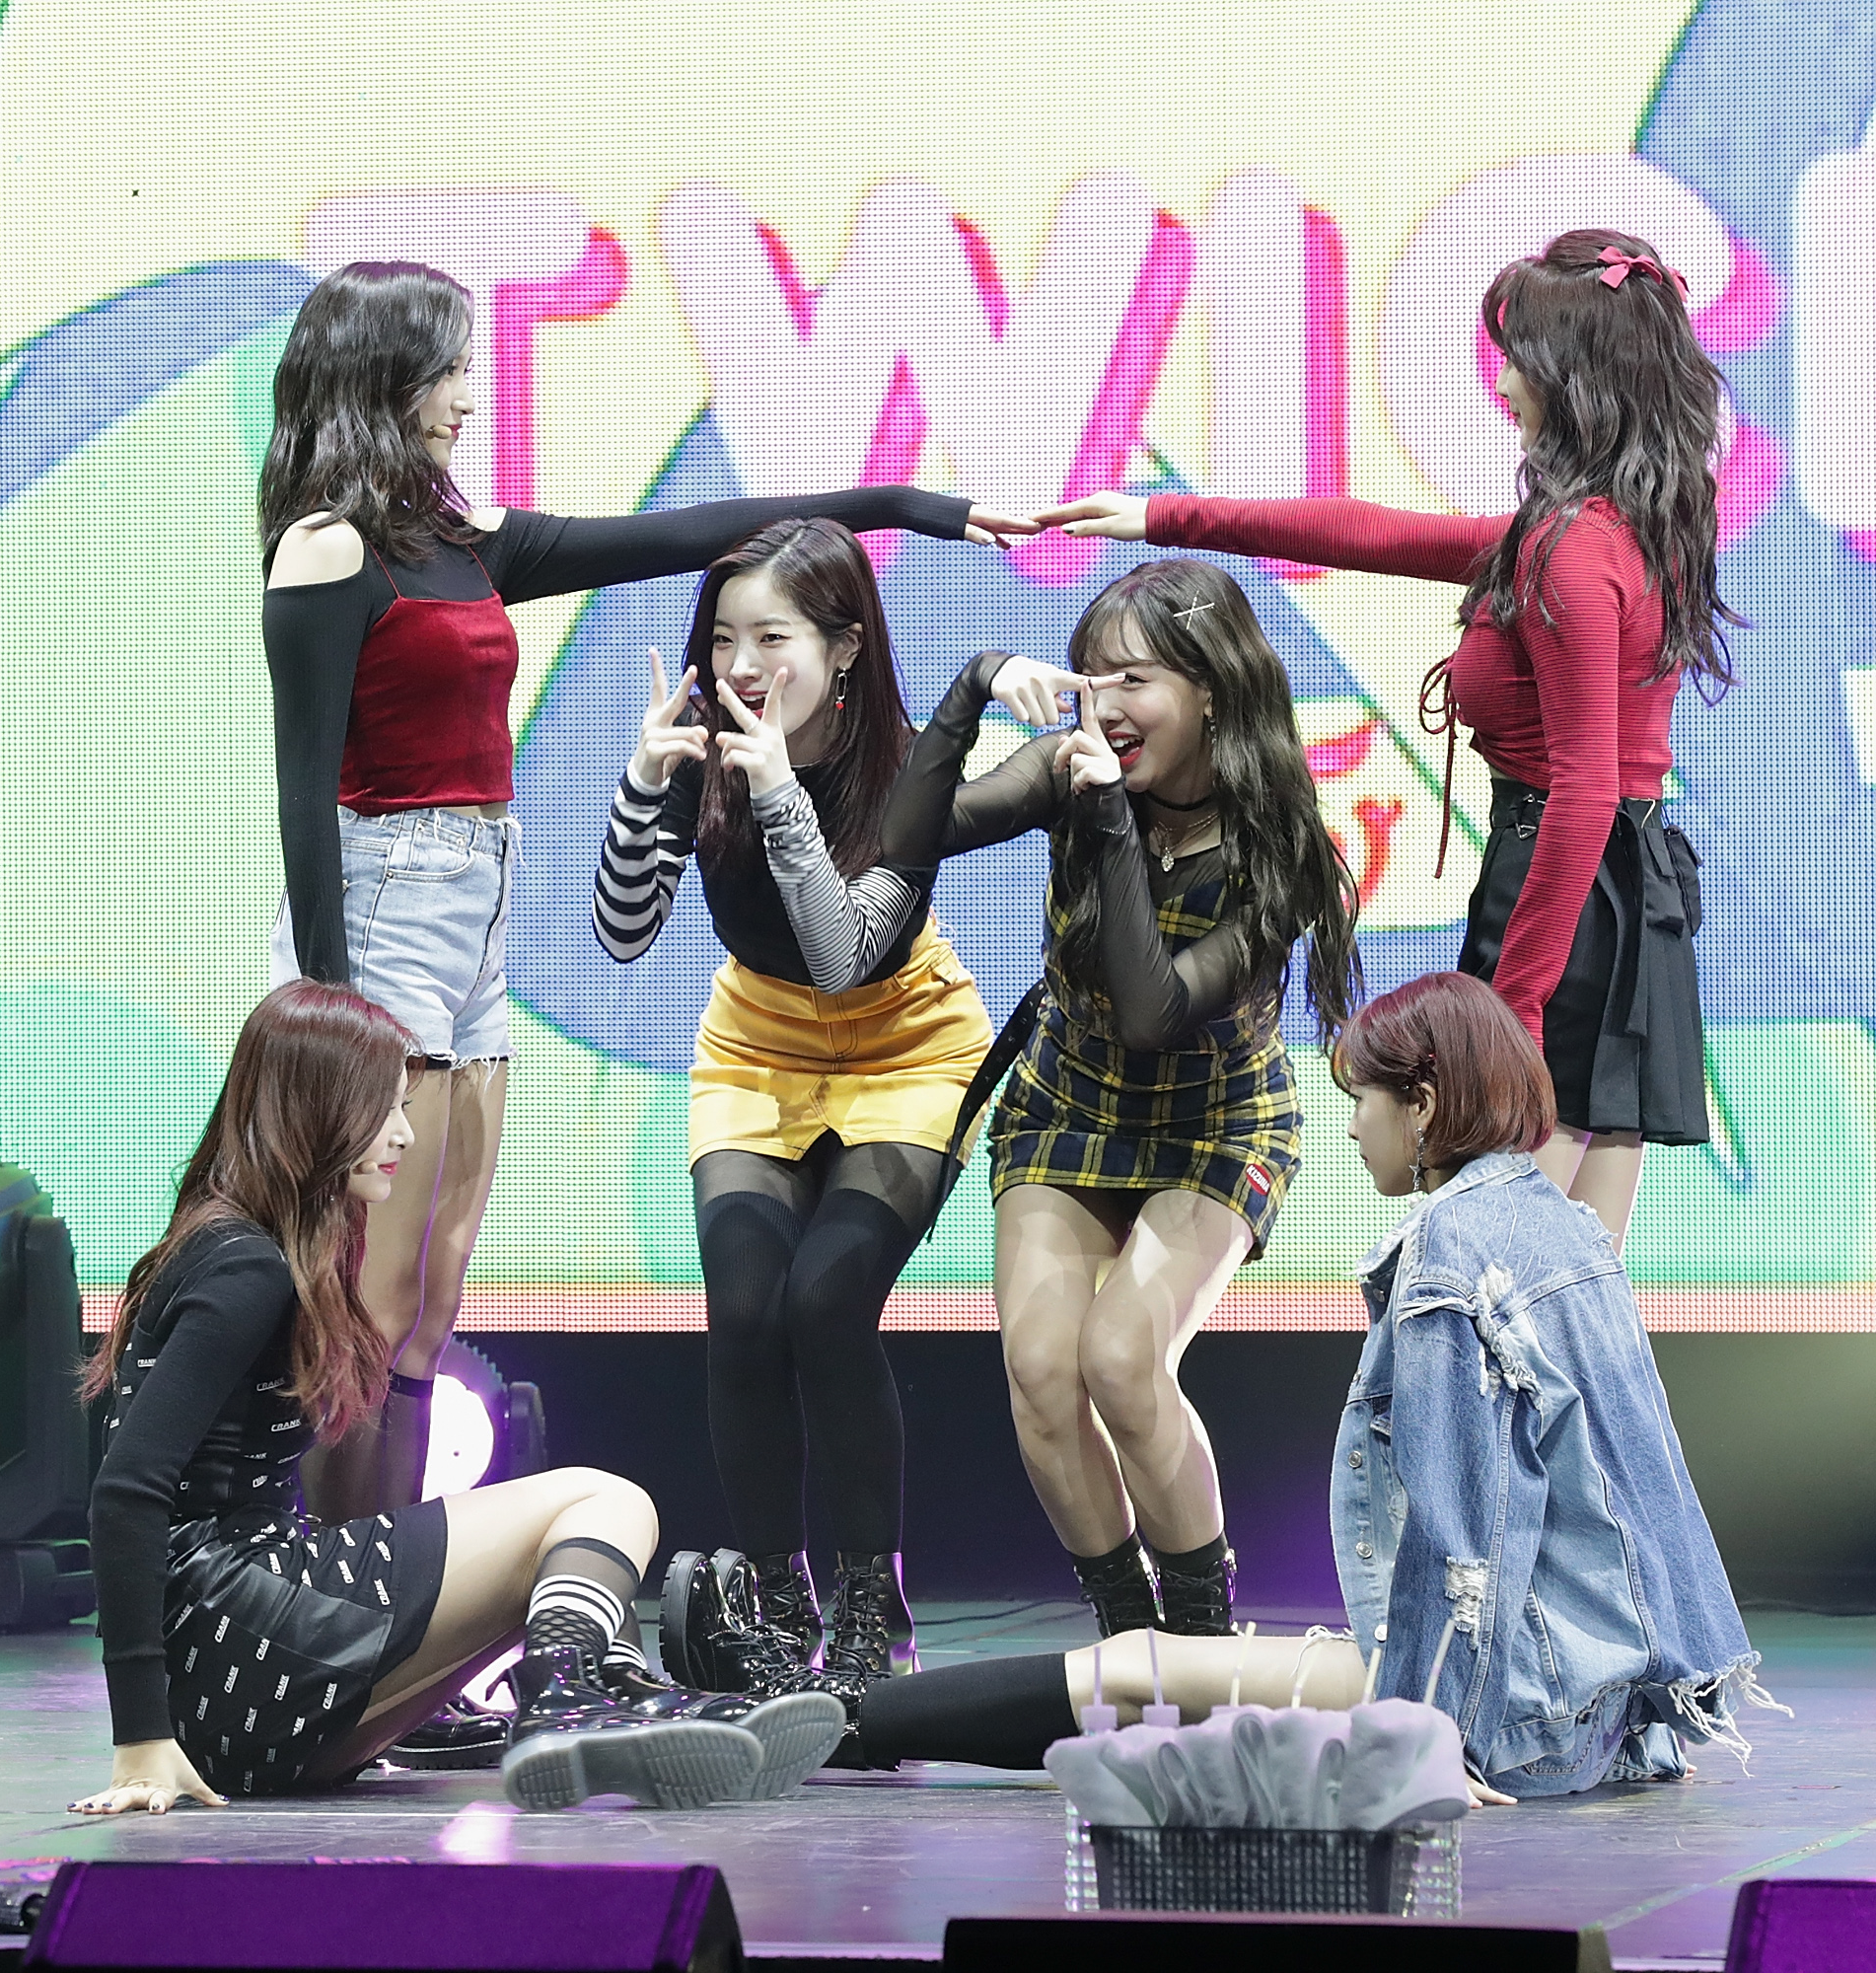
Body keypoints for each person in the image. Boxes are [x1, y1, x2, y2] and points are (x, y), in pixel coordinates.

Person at [260, 259, 1032, 1760]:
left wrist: (911, 506)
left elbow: (693, 534)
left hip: (479, 901)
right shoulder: (327, 548)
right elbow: (304, 791)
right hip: (383, 905)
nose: (473, 390)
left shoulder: (459, 537)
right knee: (368, 1292)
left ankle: (400, 1655)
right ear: (386, 372)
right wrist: (330, 1006)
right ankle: (345, 1643)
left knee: (431, 1299)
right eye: (454, 365)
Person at [700, 971, 1775, 1801]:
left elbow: (1464, 1539)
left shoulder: (1451, 1261)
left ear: (1424, 1104)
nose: (1348, 1125)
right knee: (1190, 1675)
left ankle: (835, 1728)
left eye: (1363, 1099)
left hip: (1516, 1709)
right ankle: (842, 1724)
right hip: (1612, 1699)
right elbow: (1654, 1486)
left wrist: (1428, 1736)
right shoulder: (1563, 1225)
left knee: (1148, 1675)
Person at [1043, 226, 1737, 1252]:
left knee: (1489, 1264)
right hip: (1625, 898)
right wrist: (1164, 517)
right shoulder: (1608, 530)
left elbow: (1585, 788)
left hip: (1564, 897)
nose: (1501, 383)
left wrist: (1513, 1015)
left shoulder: (1573, 550)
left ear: (1575, 377)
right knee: (1574, 1283)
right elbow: (1370, 532)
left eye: (1517, 358)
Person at [72, 982, 845, 1816]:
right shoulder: (244, 1267)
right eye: (383, 1110)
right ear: (315, 1110)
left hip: (231, 1678)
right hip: (235, 1646)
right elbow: (126, 1492)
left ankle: (609, 1693)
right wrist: (140, 1738)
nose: (404, 1134)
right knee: (605, 1501)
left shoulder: (237, 1246)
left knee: (554, 1561)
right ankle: (571, 1701)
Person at [900, 563, 1361, 1639]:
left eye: (1135, 679)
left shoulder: (1279, 847)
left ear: (1211, 690)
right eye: (1091, 676)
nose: (1104, 704)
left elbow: (1156, 1010)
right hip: (1069, 1108)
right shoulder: (1071, 769)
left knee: (1119, 1356)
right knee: (1040, 1371)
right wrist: (968, 689)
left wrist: (1106, 814)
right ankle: (1127, 1631)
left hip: (1215, 1127)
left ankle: (1200, 1634)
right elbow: (908, 834)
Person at [591, 518, 991, 1686]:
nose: (743, 664)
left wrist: (776, 794)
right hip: (757, 1048)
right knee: (746, 1310)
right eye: (724, 639)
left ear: (845, 646)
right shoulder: (702, 753)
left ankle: (872, 1604)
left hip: (906, 1045)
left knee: (826, 1301)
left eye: (773, 637)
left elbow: (840, 959)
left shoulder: (909, 769)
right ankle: (777, 1598)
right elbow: (622, 935)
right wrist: (642, 785)